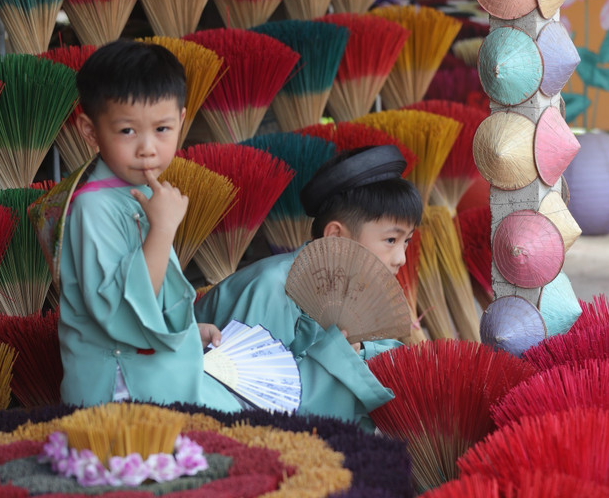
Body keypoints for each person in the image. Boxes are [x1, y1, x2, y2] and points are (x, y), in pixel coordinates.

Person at [57, 39, 242, 412]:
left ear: (181, 122)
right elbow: (120, 313)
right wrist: (162, 230)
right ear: (90, 131)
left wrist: (187, 333)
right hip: (121, 388)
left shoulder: (140, 192)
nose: (147, 147)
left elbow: (150, 296)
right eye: (127, 131)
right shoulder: (93, 207)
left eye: (162, 128)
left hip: (149, 369)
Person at [194, 145, 422, 429]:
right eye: (391, 240)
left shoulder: (361, 292)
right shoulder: (271, 289)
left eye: (406, 241)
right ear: (335, 237)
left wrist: (360, 353)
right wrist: (338, 356)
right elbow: (253, 403)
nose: (401, 258)